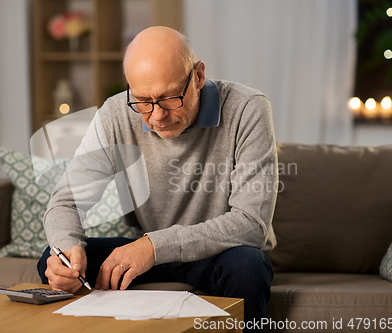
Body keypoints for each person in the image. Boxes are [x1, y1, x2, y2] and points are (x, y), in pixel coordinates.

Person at [38, 26, 277, 332]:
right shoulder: (115, 114)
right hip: (146, 252)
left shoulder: (248, 108)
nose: (156, 116)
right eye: (142, 101)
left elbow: (252, 223)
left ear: (199, 77)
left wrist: (154, 247)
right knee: (53, 260)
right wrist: (66, 250)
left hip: (217, 254)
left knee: (249, 267)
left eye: (169, 98)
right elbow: (66, 200)